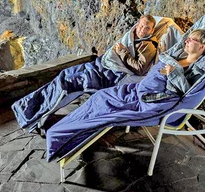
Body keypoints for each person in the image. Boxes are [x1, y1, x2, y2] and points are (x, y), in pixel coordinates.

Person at [45, 29, 205, 162]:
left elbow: (185, 91)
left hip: (153, 101)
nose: (186, 40)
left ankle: (59, 138)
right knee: (100, 97)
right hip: (138, 90)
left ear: (202, 47)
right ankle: (59, 132)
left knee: (106, 111)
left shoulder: (198, 68)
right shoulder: (178, 56)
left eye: (192, 39)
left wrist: (174, 73)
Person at [12, 15, 160, 131]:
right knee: (66, 74)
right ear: (137, 24)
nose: (142, 30)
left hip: (110, 75)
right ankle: (27, 107)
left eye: (147, 28)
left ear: (152, 31)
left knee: (69, 83)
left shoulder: (148, 46)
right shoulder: (132, 36)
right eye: (140, 26)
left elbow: (139, 68)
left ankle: (34, 116)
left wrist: (122, 52)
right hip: (101, 66)